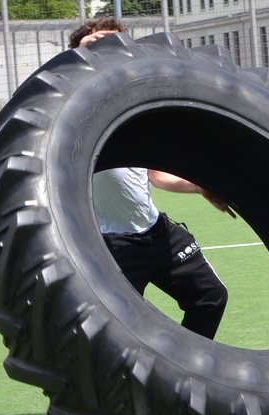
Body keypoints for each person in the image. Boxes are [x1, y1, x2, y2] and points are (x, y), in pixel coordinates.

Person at [67, 18, 232, 340]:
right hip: (111, 243)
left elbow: (156, 176)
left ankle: (189, 372)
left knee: (210, 297)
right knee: (118, 328)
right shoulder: (74, 115)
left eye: (114, 43)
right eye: (94, 43)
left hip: (155, 232)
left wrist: (200, 186)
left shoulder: (136, 111)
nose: (105, 47)